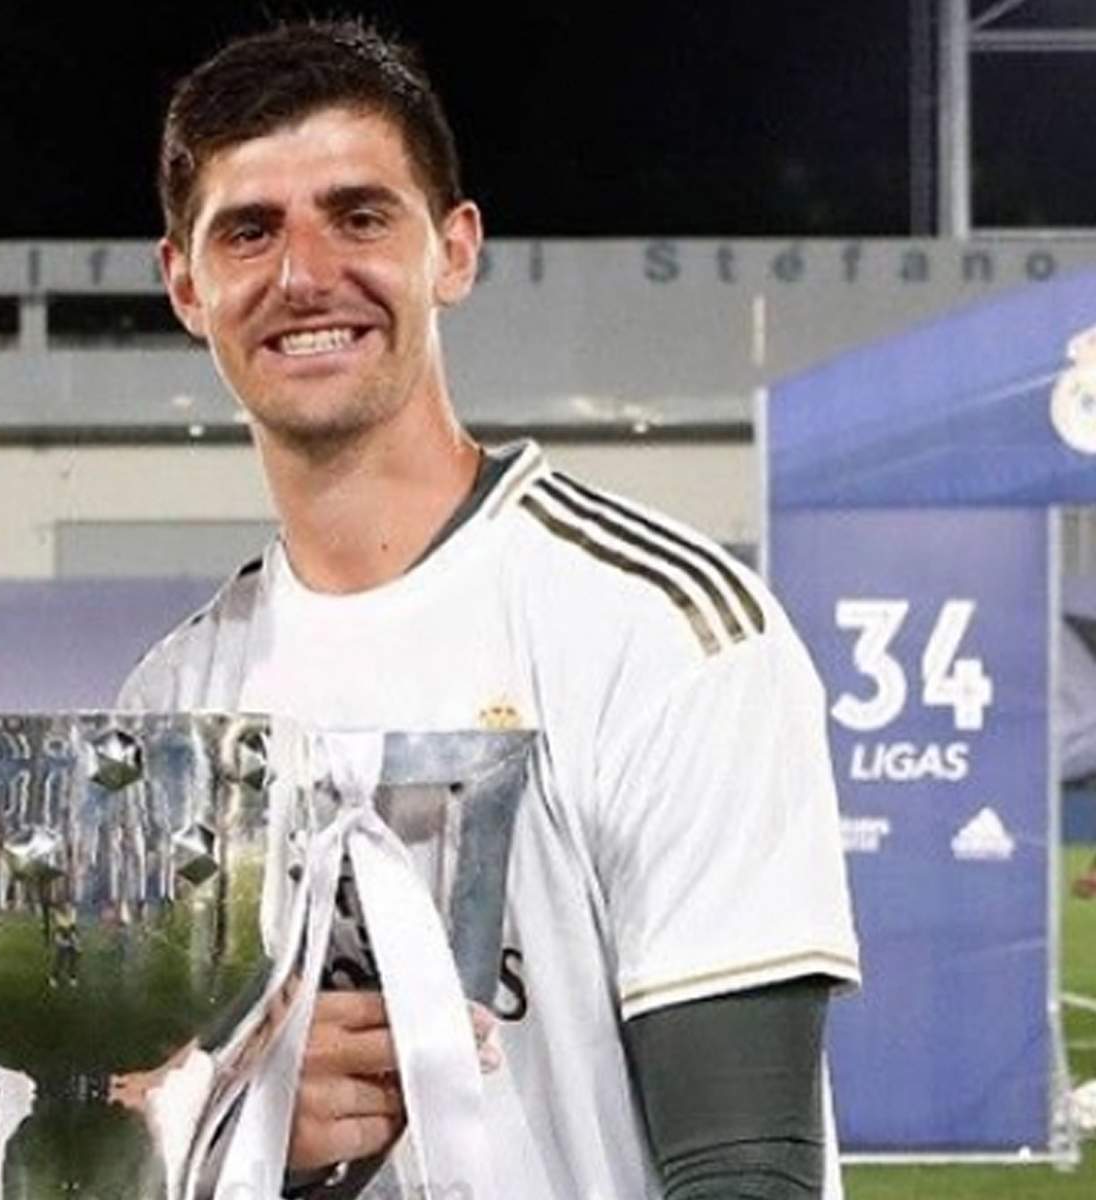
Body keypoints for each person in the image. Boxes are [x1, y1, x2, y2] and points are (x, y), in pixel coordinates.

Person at [121, 21, 861, 1199]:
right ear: (185, 286)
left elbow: (746, 1167)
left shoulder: (659, 624)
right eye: (248, 231)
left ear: (452, 252)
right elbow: (145, 1127)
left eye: (359, 215)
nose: (304, 273)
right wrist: (229, 1104)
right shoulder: (172, 699)